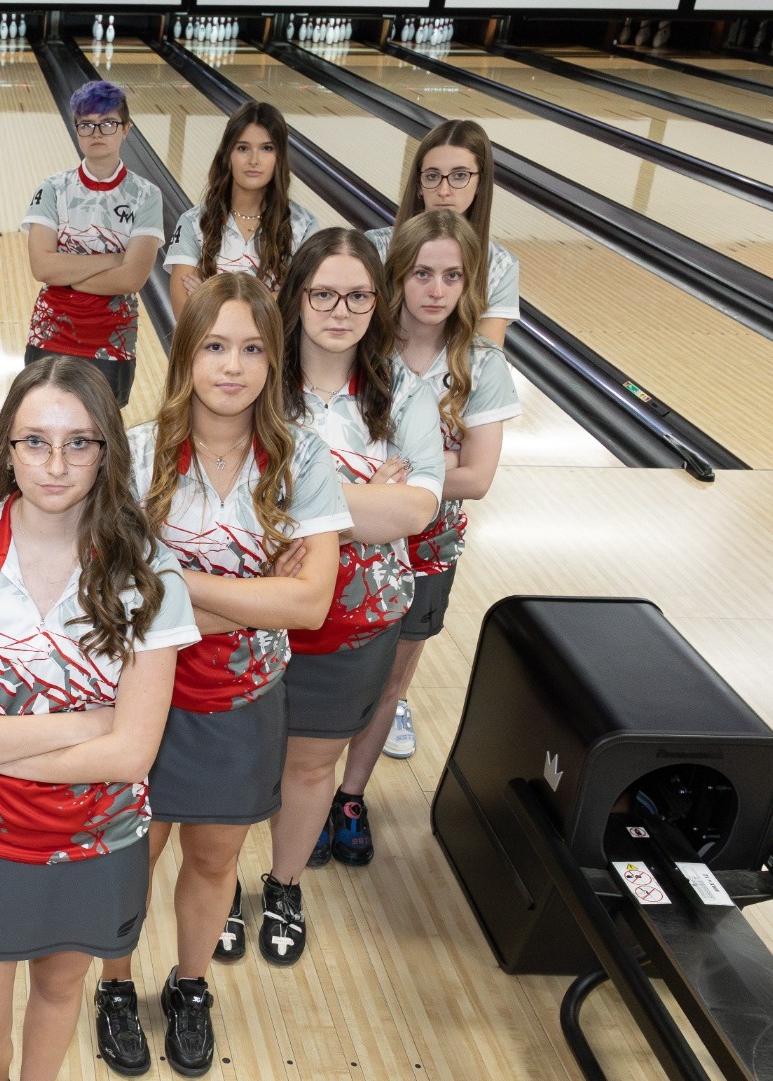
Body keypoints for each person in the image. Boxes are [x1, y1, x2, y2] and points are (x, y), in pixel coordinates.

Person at [0, 355, 197, 1081]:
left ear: (106, 450)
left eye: (78, 441)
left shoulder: (150, 569)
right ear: (7, 446)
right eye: (34, 440)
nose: (55, 463)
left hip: (96, 840)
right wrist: (86, 722)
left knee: (62, 988)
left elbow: (131, 756)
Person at [92, 272, 347, 1077]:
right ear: (184, 354)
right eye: (212, 346)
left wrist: (176, 582)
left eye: (249, 348)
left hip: (241, 704)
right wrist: (254, 597)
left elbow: (308, 604)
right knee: (133, 853)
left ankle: (190, 983)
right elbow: (112, 592)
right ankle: (114, 985)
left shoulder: (300, 457)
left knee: (212, 861)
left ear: (273, 360)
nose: (231, 366)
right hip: (143, 700)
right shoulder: (134, 454)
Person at [253, 229, 443, 958]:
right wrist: (363, 493)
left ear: (378, 299)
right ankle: (224, 885)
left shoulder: (404, 393)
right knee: (244, 763)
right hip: (254, 616)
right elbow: (242, 502)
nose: (340, 309)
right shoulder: (257, 379)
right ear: (296, 296)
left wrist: (295, 492)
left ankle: (281, 883)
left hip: (358, 622)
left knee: (308, 766)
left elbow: (417, 511)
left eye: (358, 294)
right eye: (323, 293)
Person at [358, 209, 520, 777]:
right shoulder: (361, 347)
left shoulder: (481, 362)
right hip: (351, 539)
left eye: (452, 277)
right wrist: (442, 462)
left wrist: (388, 476)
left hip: (431, 544)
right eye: (422, 273)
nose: (437, 290)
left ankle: (349, 796)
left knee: (390, 686)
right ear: (397, 274)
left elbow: (478, 477)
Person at [21, 80, 164, 407]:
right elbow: (42, 267)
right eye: (86, 124)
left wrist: (65, 269)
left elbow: (132, 279)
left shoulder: (147, 195)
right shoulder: (52, 188)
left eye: (108, 123)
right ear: (76, 129)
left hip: (112, 341)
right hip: (50, 334)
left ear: (126, 129)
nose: (97, 132)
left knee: (102, 442)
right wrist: (113, 258)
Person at [364, 119, 517, 345]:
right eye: (433, 176)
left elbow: (485, 361)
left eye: (459, 176)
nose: (444, 191)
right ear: (418, 184)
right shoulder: (375, 247)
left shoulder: (499, 265)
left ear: (481, 183)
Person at [165, 102, 319, 311]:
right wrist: (273, 297)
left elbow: (305, 303)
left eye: (267, 148)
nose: (254, 160)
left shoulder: (304, 225)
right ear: (228, 155)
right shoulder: (192, 222)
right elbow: (183, 312)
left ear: (279, 157)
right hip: (208, 345)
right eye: (243, 148)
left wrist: (212, 298)